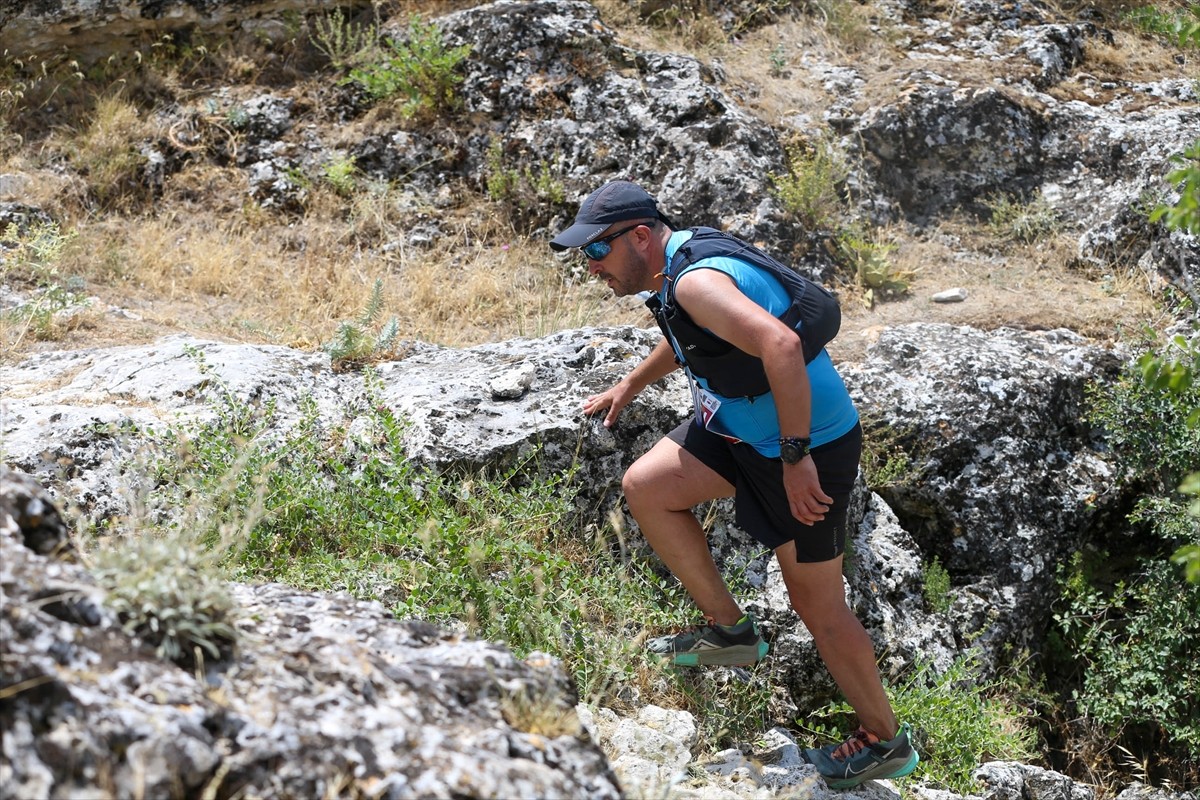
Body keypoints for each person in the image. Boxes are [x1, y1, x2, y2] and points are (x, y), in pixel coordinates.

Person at [549, 180, 919, 788]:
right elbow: (696, 338)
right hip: (738, 431)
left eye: (597, 251)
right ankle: (731, 633)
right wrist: (631, 385)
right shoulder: (677, 269)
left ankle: (884, 740)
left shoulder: (695, 278)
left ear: (639, 235)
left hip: (805, 448)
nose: (592, 267)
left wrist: (796, 457)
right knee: (647, 486)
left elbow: (780, 343)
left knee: (817, 606)